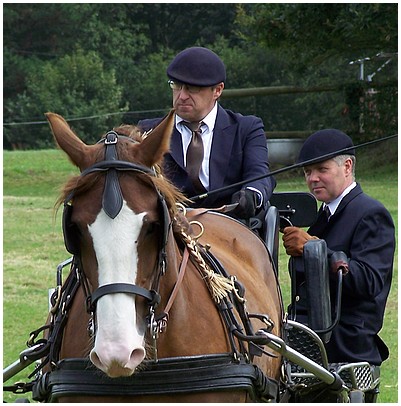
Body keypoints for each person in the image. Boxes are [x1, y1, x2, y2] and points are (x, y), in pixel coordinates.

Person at [282, 129, 395, 391]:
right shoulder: (324, 215)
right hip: (309, 339)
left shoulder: (370, 213)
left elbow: (369, 282)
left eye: (322, 169)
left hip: (346, 347)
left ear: (347, 166)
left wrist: (314, 249)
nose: (313, 178)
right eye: (307, 172)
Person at [138, 47, 275, 222]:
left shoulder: (246, 128)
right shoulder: (148, 132)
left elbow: (259, 174)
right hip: (169, 228)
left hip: (231, 226)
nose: (182, 96)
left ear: (217, 90)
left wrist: (251, 195)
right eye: (177, 86)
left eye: (192, 88)